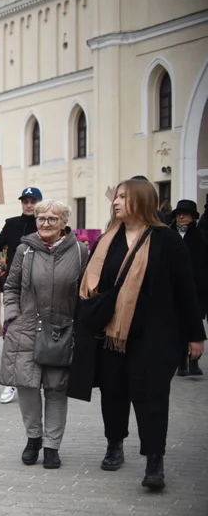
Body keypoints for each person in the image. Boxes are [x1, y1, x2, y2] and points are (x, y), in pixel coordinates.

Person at [69, 180, 205, 491]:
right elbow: (92, 285)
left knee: (152, 397)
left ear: (141, 202)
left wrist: (195, 336)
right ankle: (114, 445)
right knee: (114, 393)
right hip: (111, 334)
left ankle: (154, 460)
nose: (115, 202)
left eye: (122, 197)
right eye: (115, 196)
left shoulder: (167, 241)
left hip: (156, 335)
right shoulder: (108, 240)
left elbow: (186, 291)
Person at [0, 201, 87, 469]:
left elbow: (85, 294)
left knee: (56, 388)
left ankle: (52, 445)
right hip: (25, 328)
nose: (45, 223)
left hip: (61, 330)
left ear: (64, 222)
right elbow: (11, 286)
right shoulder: (24, 250)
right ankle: (33, 438)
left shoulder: (80, 252)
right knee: (26, 386)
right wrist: (13, 315)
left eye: (52, 219)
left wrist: (80, 326)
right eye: (41, 218)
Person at [0, 186, 42, 404]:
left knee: (37, 336)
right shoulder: (12, 224)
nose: (28, 204)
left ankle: (35, 379)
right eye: (25, 201)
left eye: (32, 201)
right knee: (11, 334)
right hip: (14, 288)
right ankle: (11, 382)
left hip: (40, 288)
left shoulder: (45, 224)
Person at [171, 200, 207, 377]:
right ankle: (181, 363)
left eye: (185, 214)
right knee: (177, 326)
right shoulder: (169, 234)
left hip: (196, 289)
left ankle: (194, 362)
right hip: (173, 289)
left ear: (193, 217)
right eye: (179, 214)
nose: (182, 217)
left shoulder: (199, 236)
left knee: (194, 321)